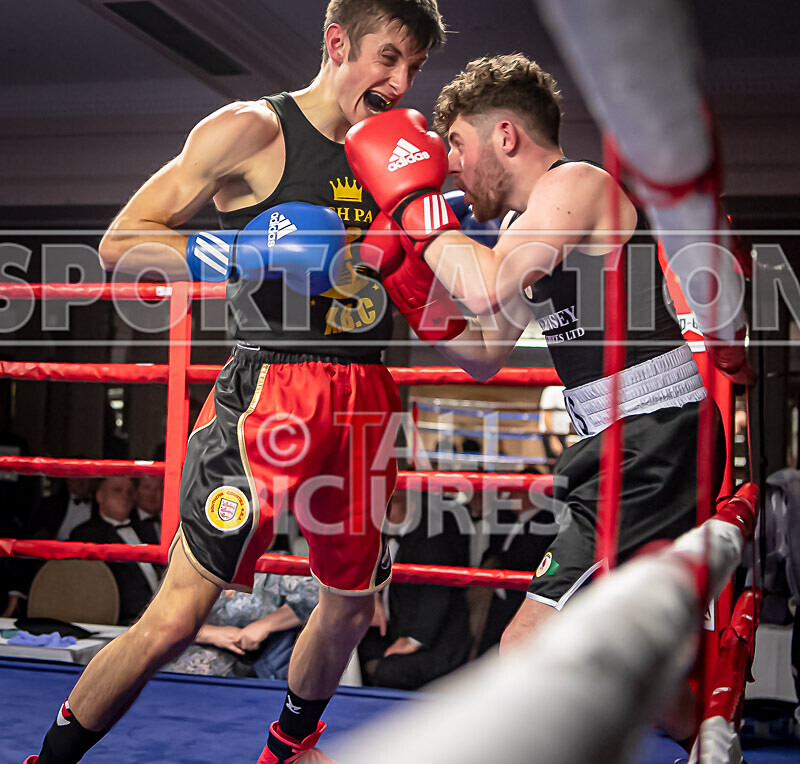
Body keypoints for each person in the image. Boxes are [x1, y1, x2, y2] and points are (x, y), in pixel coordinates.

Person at [24, 3, 446, 763]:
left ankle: (286, 747)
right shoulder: (254, 130)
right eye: (388, 58)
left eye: (414, 67)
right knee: (180, 615)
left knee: (351, 606)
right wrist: (245, 251)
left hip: (368, 395)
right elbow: (121, 242)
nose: (400, 80)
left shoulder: (400, 154)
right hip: (269, 394)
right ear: (336, 42)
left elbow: (433, 302)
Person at [343, 52, 728, 745]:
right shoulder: (526, 228)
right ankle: (710, 742)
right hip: (621, 445)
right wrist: (416, 292)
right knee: (640, 675)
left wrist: (411, 205)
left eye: (456, 143)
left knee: (528, 649)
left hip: (651, 437)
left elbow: (489, 282)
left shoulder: (576, 184)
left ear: (507, 136)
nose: (451, 165)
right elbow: (486, 352)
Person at [163, 569, 318, 681]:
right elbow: (161, 620)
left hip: (255, 670)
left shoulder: (274, 567)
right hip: (186, 664)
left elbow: (319, 600)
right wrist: (208, 634)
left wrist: (266, 625)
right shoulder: (192, 567)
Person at [69, 477, 160, 625]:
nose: (125, 496)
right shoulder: (85, 534)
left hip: (159, 614)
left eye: (129, 491)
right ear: (100, 496)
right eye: (117, 490)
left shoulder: (145, 528)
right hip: (121, 621)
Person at [131, 474, 163, 545]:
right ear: (136, 491)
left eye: (159, 488)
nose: (152, 494)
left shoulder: (171, 520)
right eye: (147, 487)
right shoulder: (126, 521)